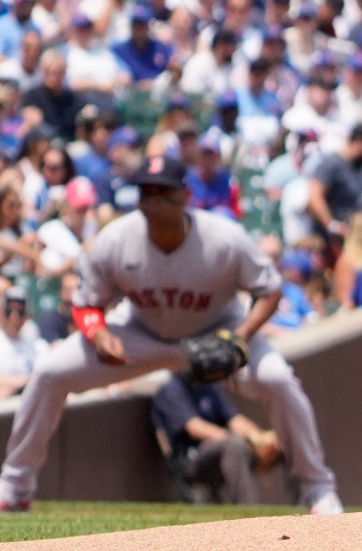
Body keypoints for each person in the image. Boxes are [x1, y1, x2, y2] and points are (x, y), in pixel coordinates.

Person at [0, 156, 341, 514]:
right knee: (49, 372)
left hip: (217, 332)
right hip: (140, 332)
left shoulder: (223, 238)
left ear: (185, 196)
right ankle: (15, 485)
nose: (154, 199)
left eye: (164, 190)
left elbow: (269, 291)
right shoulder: (116, 239)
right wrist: (99, 335)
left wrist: (241, 336)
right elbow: (86, 304)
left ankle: (317, 487)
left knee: (278, 380)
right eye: (147, 191)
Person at [149, 372, 281, 504]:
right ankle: (248, 507)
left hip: (218, 450)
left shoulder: (209, 387)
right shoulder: (170, 390)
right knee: (234, 445)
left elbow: (235, 419)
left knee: (280, 443)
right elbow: (194, 427)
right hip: (191, 458)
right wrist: (245, 441)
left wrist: (257, 436)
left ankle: (299, 502)